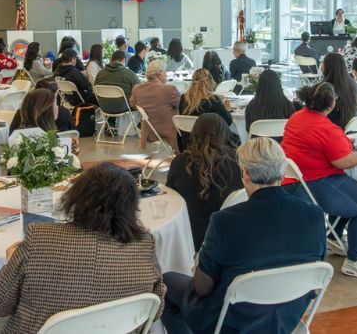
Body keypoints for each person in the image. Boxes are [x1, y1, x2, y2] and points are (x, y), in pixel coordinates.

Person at [160, 138, 326, 334]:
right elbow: (314, 269)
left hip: (234, 321)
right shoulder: (314, 214)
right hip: (287, 316)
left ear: (244, 173)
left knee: (166, 282)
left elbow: (202, 288)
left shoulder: (225, 221)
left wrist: (201, 260)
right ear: (282, 172)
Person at [0, 163, 165, 334]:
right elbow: (155, 310)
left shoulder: (40, 238)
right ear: (131, 205)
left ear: (77, 197)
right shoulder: (144, 244)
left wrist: (10, 263)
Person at [282, 83, 357, 279]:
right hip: (315, 183)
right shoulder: (326, 128)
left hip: (291, 180)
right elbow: (345, 162)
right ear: (332, 103)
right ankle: (355, 259)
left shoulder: (297, 117)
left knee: (352, 194)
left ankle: (333, 236)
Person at [166, 114, 243, 249]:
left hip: (190, 238)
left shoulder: (180, 162)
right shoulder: (239, 162)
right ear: (225, 132)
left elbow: (170, 198)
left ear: (194, 134)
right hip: (231, 237)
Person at [131, 60, 181, 151]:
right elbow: (182, 106)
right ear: (159, 74)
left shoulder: (137, 89)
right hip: (170, 133)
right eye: (165, 72)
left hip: (148, 132)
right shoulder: (170, 90)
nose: (166, 75)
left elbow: (133, 105)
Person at [9, 81, 77, 137]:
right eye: (54, 103)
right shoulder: (42, 140)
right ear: (45, 109)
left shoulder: (23, 116)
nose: (57, 107)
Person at [320, 53, 357, 129]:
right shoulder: (351, 82)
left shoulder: (327, 87)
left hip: (335, 127)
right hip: (351, 126)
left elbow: (320, 111)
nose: (321, 65)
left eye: (323, 63)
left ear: (328, 67)